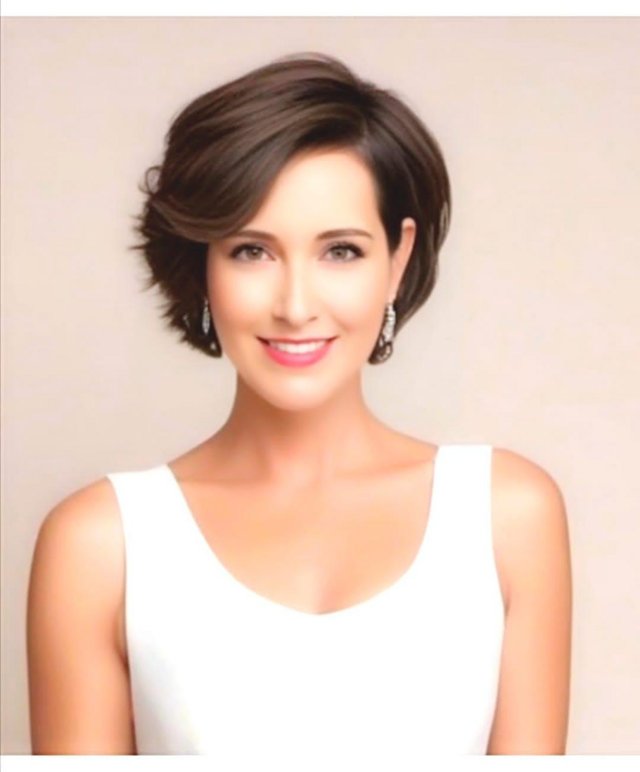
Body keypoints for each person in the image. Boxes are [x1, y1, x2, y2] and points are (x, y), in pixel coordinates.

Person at [26, 52, 572, 758]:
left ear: (397, 260)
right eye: (252, 251)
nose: (294, 305)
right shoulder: (101, 545)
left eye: (340, 251)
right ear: (202, 264)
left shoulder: (506, 517)